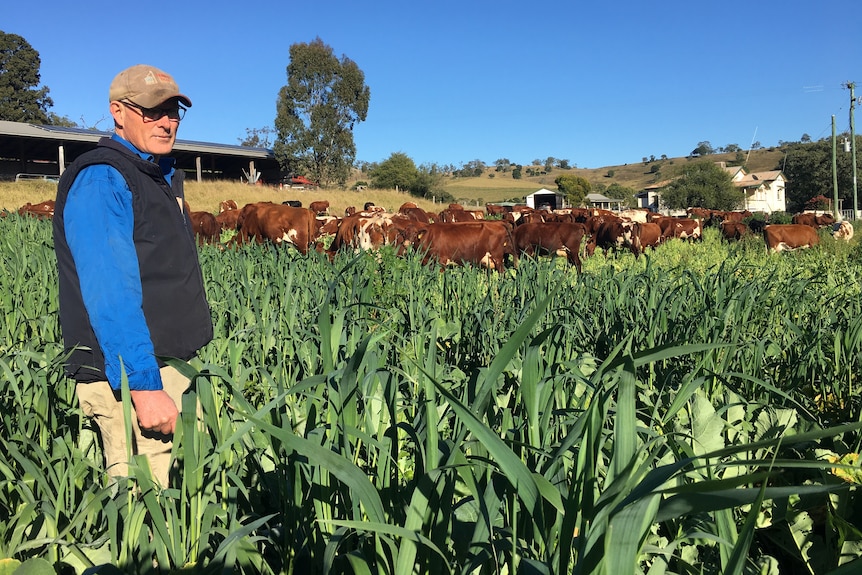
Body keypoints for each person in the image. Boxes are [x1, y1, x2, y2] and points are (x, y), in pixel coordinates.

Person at [53, 64, 213, 487]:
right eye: (151, 111)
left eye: (174, 111)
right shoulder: (103, 178)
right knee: (146, 509)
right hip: (133, 378)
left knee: (180, 507)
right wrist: (142, 387)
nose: (166, 121)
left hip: (167, 366)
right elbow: (110, 293)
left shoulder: (157, 174)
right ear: (118, 112)